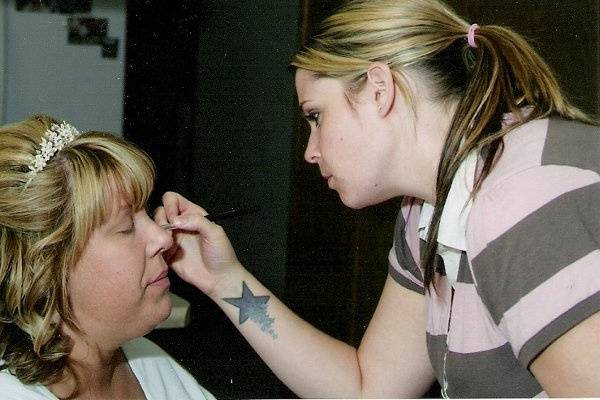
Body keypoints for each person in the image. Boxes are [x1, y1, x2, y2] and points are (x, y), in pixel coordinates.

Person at [158, 0, 600, 397]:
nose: (310, 152)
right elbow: (369, 389)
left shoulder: (522, 196)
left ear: (379, 89)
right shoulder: (426, 212)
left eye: (316, 116)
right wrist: (223, 279)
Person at [0, 115, 215, 399]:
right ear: (47, 270)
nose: (164, 237)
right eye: (127, 227)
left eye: (147, 212)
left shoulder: (148, 361)